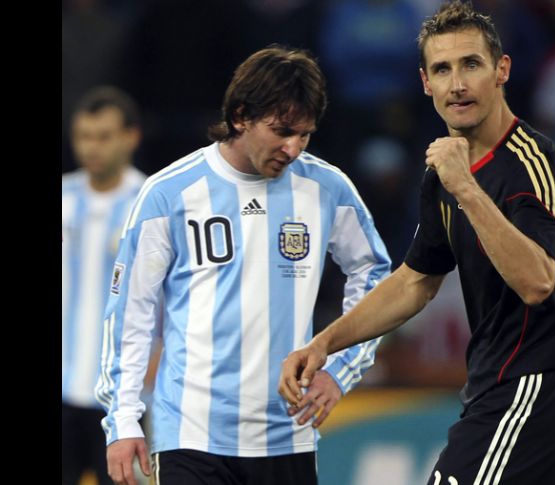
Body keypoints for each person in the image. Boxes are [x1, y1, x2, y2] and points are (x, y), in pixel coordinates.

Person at [279, 2, 555, 484]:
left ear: (501, 70)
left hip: (533, 389)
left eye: (471, 64)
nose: (457, 84)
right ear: (425, 83)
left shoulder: (533, 166)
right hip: (492, 389)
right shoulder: (444, 171)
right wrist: (326, 343)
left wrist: (465, 187)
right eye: (442, 69)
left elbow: (537, 282)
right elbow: (415, 281)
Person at [95, 45, 390, 485]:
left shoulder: (326, 187)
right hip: (190, 436)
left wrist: (341, 369)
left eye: (305, 134)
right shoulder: (169, 193)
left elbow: (374, 277)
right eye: (282, 130)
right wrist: (122, 420)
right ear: (240, 116)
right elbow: (130, 314)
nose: (292, 148)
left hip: (288, 434)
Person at [62, 86, 147, 485]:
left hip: (122, 400)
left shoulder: (150, 204)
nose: (91, 147)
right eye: (83, 136)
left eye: (103, 136)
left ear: (131, 136)